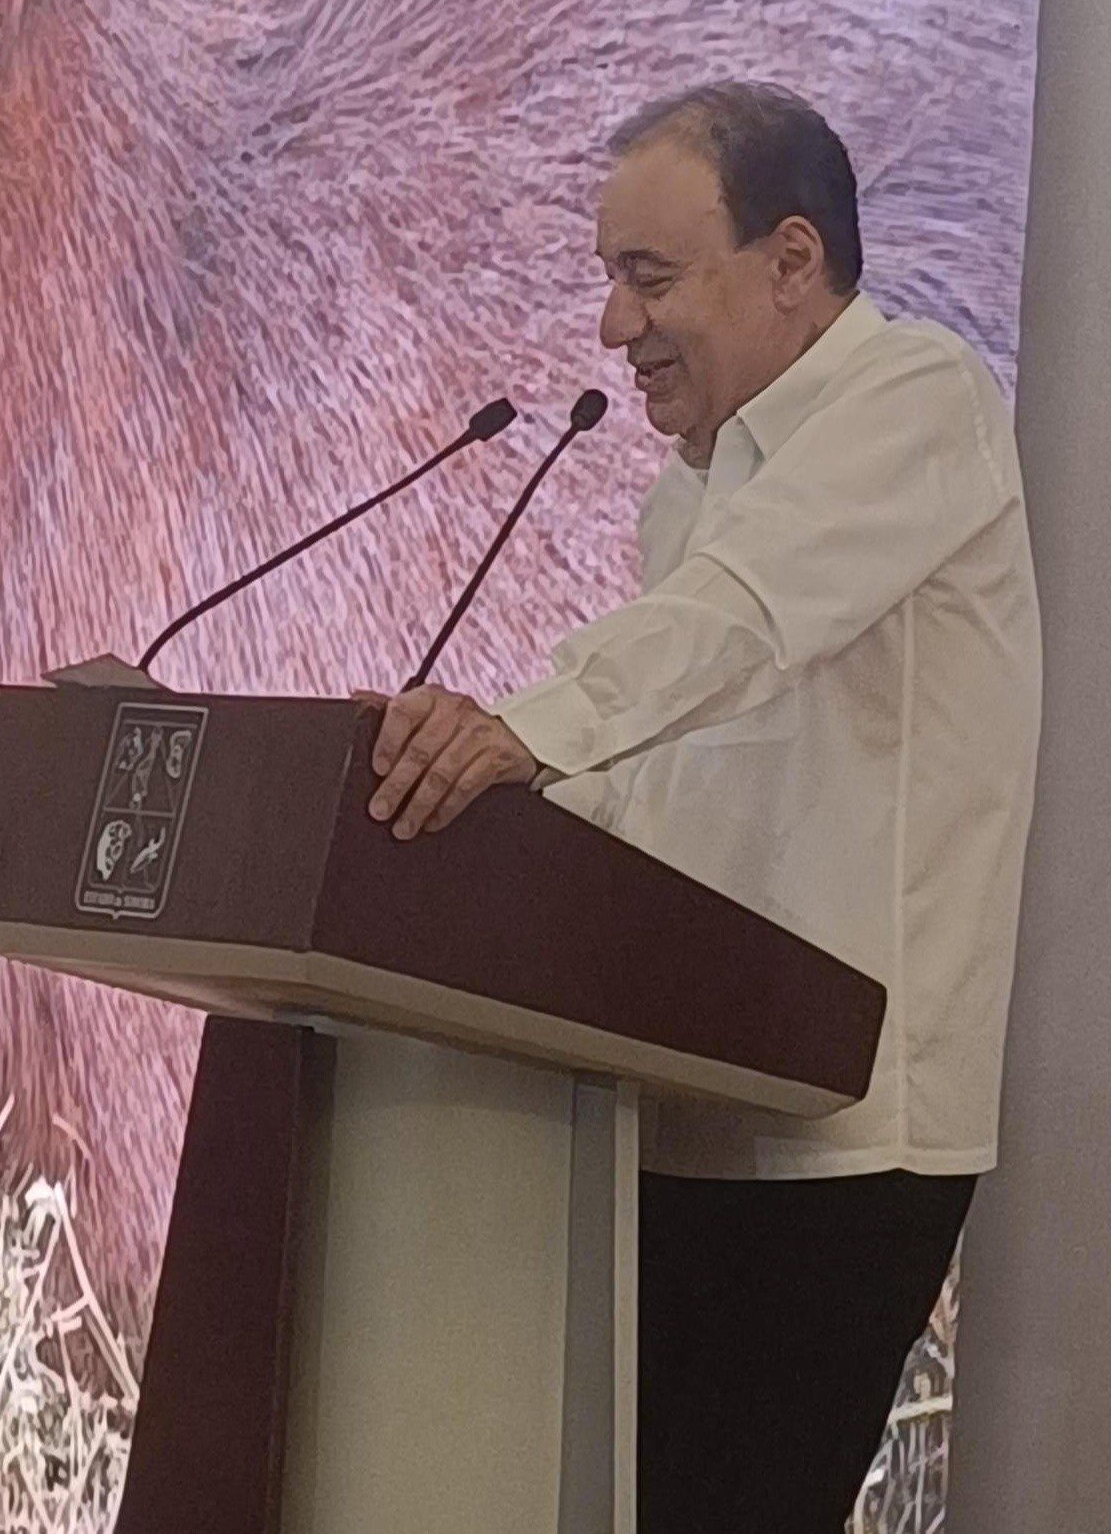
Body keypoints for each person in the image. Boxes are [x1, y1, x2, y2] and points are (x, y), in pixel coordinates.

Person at [366, 80, 1041, 1534]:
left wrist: (522, 731)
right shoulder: (691, 492)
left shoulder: (916, 398)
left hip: (839, 1132)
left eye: (650, 276)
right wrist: (449, 812)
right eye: (610, 278)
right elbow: (654, 787)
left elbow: (740, 620)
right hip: (682, 1103)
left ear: (791, 261)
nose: (615, 325)